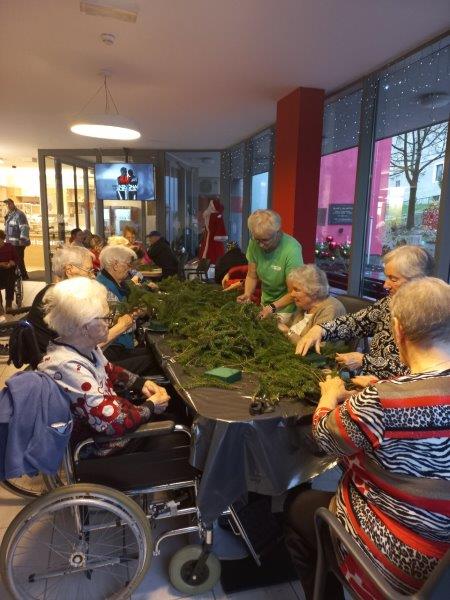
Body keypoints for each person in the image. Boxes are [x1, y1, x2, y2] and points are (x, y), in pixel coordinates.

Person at [284, 277, 450, 599]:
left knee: (297, 509)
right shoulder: (382, 396)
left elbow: (323, 438)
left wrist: (329, 396)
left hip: (398, 561)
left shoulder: (382, 400)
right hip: (444, 574)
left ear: (398, 331)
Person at [38, 277, 170, 456]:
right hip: (102, 447)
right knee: (180, 438)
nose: (109, 323)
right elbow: (114, 422)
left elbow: (109, 370)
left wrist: (141, 384)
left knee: (172, 414)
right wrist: (152, 405)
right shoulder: (67, 367)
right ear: (84, 326)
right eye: (105, 318)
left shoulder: (84, 347)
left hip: (114, 428)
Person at [296, 245, 434, 385]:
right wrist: (320, 329)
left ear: (418, 280)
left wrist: (364, 361)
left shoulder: (430, 317)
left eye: (393, 279)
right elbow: (356, 322)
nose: (385, 285)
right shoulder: (389, 302)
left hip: (397, 391)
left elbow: (417, 371)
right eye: (387, 277)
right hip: (370, 383)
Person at [26, 245, 138, 356]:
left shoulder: (62, 293)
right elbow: (85, 346)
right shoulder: (59, 298)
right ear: (69, 270)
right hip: (61, 361)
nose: (93, 276)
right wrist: (122, 326)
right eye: (89, 270)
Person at [96, 244, 160, 374]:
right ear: (115, 265)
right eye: (128, 264)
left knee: (155, 354)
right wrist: (137, 313)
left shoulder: (118, 283)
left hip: (120, 345)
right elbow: (120, 323)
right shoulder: (104, 288)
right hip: (112, 349)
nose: (130, 268)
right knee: (158, 361)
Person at [237, 209, 303, 322]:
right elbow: (252, 275)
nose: (260, 245)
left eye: (265, 240)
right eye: (257, 240)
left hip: (286, 309)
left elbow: (294, 292)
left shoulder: (292, 250)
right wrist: (247, 294)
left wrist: (272, 307)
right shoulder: (254, 243)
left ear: (277, 232)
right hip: (265, 305)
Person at [279, 265, 346, 344]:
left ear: (314, 292)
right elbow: (290, 325)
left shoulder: (330, 309)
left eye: (297, 290)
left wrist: (287, 332)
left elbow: (318, 347)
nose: (292, 294)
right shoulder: (305, 305)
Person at [3, 198, 30, 280]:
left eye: (9, 204)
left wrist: (22, 240)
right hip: (10, 242)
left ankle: (24, 276)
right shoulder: (9, 214)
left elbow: (24, 227)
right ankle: (16, 275)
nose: (8, 205)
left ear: (13, 204)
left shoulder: (19, 214)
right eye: (6, 204)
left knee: (19, 260)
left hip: (18, 242)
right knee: (13, 260)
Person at [198, 199, 227, 264]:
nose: (210, 207)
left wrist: (217, 234)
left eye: (212, 205)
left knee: (214, 253)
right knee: (208, 251)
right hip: (209, 237)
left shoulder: (217, 216)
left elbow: (220, 227)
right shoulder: (209, 215)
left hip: (213, 238)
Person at [0, 229, 18, 313]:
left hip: (9, 270)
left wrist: (12, 262)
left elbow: (16, 259)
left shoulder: (10, 247)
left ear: (3, 239)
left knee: (10, 280)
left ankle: (8, 304)